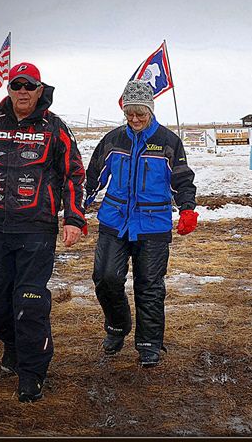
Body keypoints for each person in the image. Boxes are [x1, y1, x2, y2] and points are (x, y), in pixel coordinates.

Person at [0, 62, 87, 402]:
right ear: (8, 89)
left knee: (29, 301)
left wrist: (73, 217)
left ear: (41, 90)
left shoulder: (55, 128)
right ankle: (13, 344)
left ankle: (32, 371)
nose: (22, 91)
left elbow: (73, 174)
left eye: (30, 85)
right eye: (16, 85)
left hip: (37, 230)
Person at [85, 79, 198, 367]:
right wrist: (78, 209)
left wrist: (187, 209)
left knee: (149, 286)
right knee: (106, 277)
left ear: (150, 110)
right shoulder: (113, 140)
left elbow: (182, 179)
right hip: (115, 222)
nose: (134, 120)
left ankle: (149, 343)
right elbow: (93, 177)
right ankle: (117, 326)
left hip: (153, 226)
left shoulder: (169, 142)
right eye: (129, 114)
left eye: (140, 114)